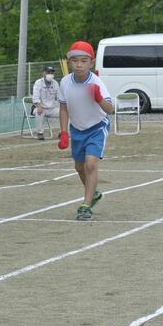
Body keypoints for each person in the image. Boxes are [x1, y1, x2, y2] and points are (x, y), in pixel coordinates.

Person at [57, 41, 114, 221]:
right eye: (74, 61)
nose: (79, 65)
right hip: (77, 129)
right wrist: (64, 132)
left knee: (90, 164)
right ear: (69, 62)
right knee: (79, 167)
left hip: (97, 127)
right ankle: (94, 193)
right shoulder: (65, 82)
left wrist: (98, 97)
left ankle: (86, 205)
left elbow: (110, 109)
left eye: (84, 60)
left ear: (91, 62)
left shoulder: (97, 82)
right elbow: (64, 108)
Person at [31, 65, 60, 139]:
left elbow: (59, 97)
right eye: (48, 72)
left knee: (65, 113)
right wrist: (39, 106)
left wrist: (63, 107)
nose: (50, 74)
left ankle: (63, 132)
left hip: (52, 108)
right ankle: (40, 133)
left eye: (52, 73)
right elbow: (35, 97)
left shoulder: (55, 83)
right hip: (40, 107)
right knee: (39, 112)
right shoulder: (38, 82)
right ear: (43, 73)